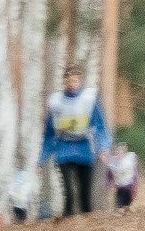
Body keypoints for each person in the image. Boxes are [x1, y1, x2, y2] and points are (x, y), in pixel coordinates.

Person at [39, 65, 111, 217]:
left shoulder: (89, 100)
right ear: (64, 81)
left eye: (75, 81)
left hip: (85, 150)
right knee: (70, 194)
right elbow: (49, 133)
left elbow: (99, 126)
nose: (72, 85)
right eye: (69, 81)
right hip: (64, 150)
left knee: (85, 195)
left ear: (80, 81)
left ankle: (88, 228)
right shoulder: (56, 103)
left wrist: (103, 148)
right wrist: (42, 157)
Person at [107, 142, 139, 212]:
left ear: (125, 152)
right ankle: (118, 212)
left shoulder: (129, 160)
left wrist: (135, 185)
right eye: (117, 151)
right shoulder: (113, 162)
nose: (119, 154)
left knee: (128, 202)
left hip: (129, 187)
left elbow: (135, 174)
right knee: (119, 204)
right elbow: (109, 174)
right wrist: (109, 184)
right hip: (119, 187)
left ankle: (126, 212)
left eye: (121, 152)